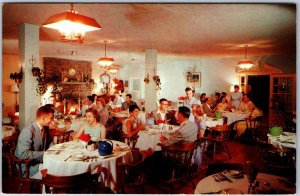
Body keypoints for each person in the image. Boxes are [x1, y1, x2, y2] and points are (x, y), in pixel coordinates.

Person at [15, 105, 54, 177]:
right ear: (44, 118)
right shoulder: (27, 131)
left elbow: (50, 141)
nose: (52, 120)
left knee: (56, 168)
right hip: (28, 167)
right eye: (51, 118)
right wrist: (45, 154)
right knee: (53, 172)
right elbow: (23, 154)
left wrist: (52, 150)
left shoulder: (45, 128)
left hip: (40, 162)